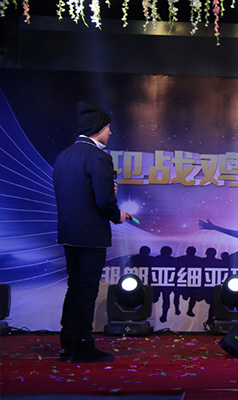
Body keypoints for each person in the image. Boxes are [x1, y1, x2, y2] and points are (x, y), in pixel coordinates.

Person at [53, 101, 129, 363]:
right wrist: (117, 214)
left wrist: (106, 190)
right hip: (91, 235)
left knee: (75, 287)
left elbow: (77, 193)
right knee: (86, 290)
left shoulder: (64, 156)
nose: (111, 132)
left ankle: (69, 344)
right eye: (108, 127)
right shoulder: (98, 157)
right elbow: (103, 201)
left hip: (69, 232)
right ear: (98, 128)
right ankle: (84, 346)